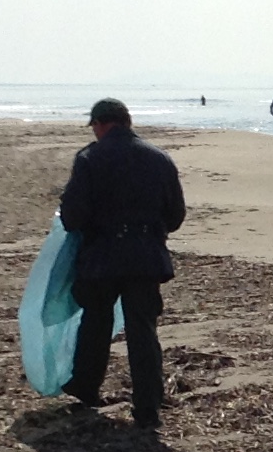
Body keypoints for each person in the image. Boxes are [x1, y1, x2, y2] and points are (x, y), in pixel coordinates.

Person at [58, 98, 187, 431]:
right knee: (143, 331)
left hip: (102, 255)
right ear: (127, 122)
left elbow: (73, 217)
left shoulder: (89, 158)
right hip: (145, 255)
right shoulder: (160, 159)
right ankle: (147, 407)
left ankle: (86, 389)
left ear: (102, 124)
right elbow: (175, 215)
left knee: (96, 326)